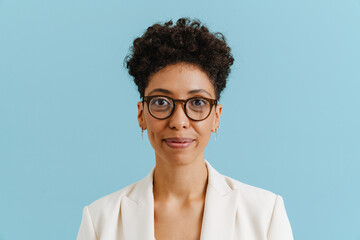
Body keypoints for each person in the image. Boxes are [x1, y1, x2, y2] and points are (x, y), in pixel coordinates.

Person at [76, 17, 294, 240]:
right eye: (161, 102)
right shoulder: (100, 220)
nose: (179, 121)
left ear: (216, 117)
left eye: (197, 102)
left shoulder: (265, 214)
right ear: (141, 114)